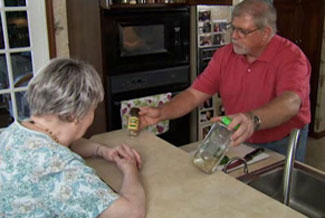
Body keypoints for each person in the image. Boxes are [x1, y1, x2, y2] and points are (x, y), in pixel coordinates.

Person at [139, 0, 311, 162]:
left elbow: (291, 102)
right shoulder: (225, 55)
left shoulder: (292, 57)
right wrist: (162, 112)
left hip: (280, 141)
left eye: (243, 31)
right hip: (237, 137)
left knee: (273, 192)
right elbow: (194, 94)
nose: (234, 36)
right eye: (232, 28)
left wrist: (252, 119)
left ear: (266, 33)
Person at [0, 58, 146, 218]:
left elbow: (65, 144)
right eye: (92, 109)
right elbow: (131, 213)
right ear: (74, 115)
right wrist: (129, 168)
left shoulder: (16, 131)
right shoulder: (62, 167)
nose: (92, 117)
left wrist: (102, 151)